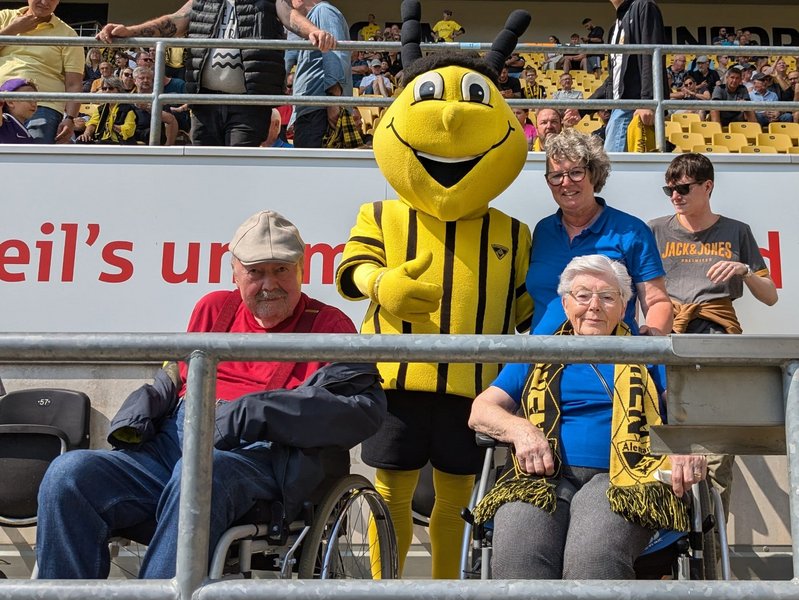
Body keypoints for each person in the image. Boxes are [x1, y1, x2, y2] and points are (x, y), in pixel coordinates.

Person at [35, 210, 386, 579]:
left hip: (260, 458)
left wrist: (257, 411)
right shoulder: (213, 309)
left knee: (200, 474)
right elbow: (174, 376)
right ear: (235, 272)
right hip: (173, 444)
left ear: (301, 268)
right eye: (255, 272)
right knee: (68, 474)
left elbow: (363, 410)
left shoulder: (329, 325)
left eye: (281, 269)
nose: (270, 284)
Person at [336, 5, 532, 579]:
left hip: (474, 390)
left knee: (456, 503)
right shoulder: (378, 214)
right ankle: (386, 590)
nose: (449, 117)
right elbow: (353, 269)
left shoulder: (513, 233)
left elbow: (528, 309)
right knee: (390, 496)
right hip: (396, 384)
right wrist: (382, 284)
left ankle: (448, 589)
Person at [469, 254, 705, 579]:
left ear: (623, 308)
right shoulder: (537, 352)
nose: (594, 306)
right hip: (540, 479)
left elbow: (687, 412)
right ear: (566, 304)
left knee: (593, 558)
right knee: (518, 555)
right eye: (583, 296)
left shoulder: (649, 354)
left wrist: (686, 446)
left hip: (627, 479)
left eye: (607, 297)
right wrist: (521, 430)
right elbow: (482, 410)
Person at [648, 153, 778, 519]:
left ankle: (712, 544)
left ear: (708, 186)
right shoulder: (654, 230)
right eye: (669, 190)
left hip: (719, 345)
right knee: (665, 450)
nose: (675, 196)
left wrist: (744, 271)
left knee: (717, 455)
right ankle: (670, 542)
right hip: (668, 345)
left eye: (683, 188)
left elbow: (770, 296)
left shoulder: (737, 231)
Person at [97, 0, 337, 147]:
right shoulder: (202, 1)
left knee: (237, 166)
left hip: (248, 104)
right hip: (205, 103)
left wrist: (313, 31)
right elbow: (174, 22)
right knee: (205, 168)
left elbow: (289, 15)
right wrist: (130, 31)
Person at [526, 128, 672, 336]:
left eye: (576, 173)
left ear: (594, 174)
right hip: (542, 355)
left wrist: (653, 337)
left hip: (610, 354)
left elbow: (656, 301)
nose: (566, 183)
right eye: (556, 176)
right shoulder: (543, 231)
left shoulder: (631, 231)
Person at [0, 0, 84, 144]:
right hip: (2, 100)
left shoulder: (68, 34)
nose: (45, 2)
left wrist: (70, 118)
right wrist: (12, 30)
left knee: (35, 151)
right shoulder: (4, 17)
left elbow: (74, 83)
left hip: (43, 104)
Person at [589, 0, 667, 152]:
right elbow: (612, 80)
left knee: (613, 163)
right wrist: (582, 109)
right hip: (618, 108)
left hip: (635, 107)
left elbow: (651, 56)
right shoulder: (614, 28)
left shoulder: (644, 6)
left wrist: (648, 102)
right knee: (613, 161)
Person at [289, 0, 352, 148]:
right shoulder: (314, 19)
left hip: (320, 112)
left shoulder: (323, 11)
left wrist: (333, 101)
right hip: (313, 111)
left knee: (312, 161)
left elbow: (334, 55)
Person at [77, 76, 137, 144]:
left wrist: (110, 126)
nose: (107, 91)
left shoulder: (128, 109)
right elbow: (92, 124)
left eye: (111, 88)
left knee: (101, 143)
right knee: (81, 140)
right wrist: (86, 135)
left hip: (120, 142)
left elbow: (129, 130)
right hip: (102, 141)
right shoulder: (100, 109)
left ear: (119, 90)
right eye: (104, 89)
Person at [0, 77, 37, 143]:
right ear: (10, 102)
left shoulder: (25, 132)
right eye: (29, 99)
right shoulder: (4, 122)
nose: (34, 104)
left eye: (36, 100)